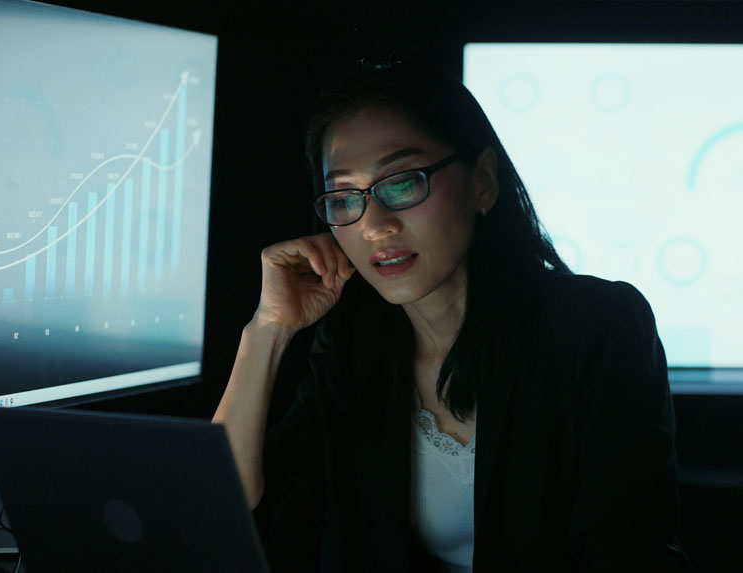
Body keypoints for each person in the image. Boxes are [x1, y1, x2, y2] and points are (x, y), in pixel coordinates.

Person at [212, 59, 691, 572]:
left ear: (483, 182)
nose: (374, 226)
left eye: (401, 182)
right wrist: (266, 330)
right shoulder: (353, 344)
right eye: (345, 197)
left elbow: (625, 551)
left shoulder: (598, 326)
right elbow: (222, 515)